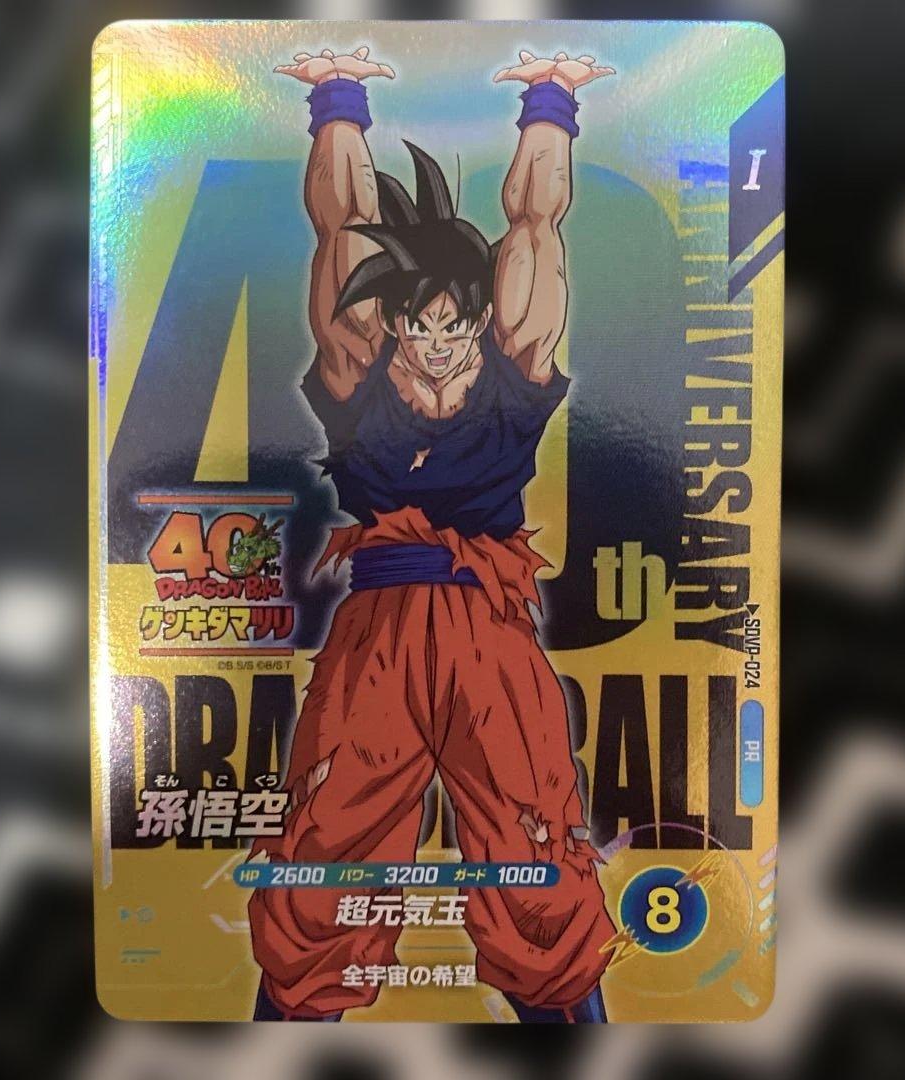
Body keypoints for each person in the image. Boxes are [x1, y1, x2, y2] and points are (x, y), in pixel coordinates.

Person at [250, 43, 617, 1023]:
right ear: (397, 321)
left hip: (488, 631)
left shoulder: (514, 367)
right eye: (424, 323)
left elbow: (536, 223)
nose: (443, 340)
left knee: (536, 850)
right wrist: (337, 98)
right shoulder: (357, 368)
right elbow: (341, 226)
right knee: (324, 857)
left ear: (481, 317)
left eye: (460, 322)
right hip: (377, 635)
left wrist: (551, 101)